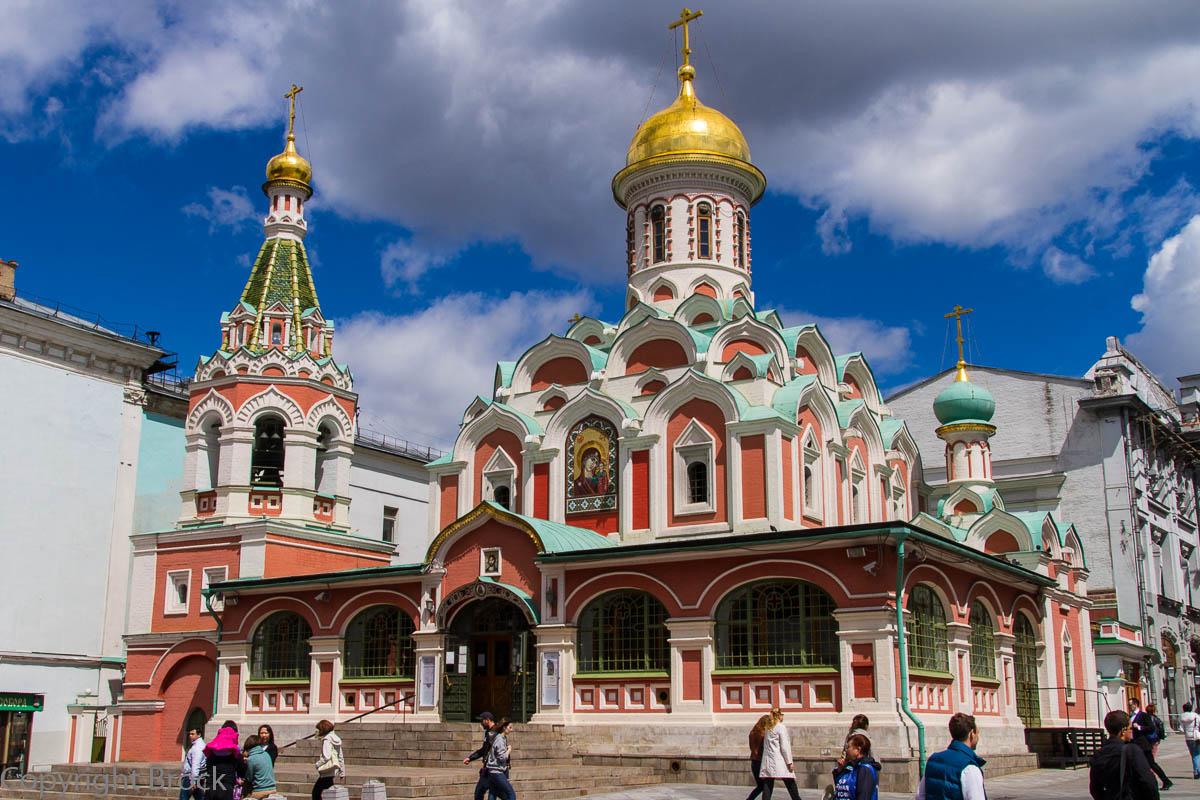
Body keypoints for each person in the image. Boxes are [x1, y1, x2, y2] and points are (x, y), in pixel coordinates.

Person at [1089, 709, 1160, 800]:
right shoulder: (1132, 750)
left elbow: (1095, 788)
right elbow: (1148, 781)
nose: (1132, 731)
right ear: (1123, 731)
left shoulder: (1098, 754)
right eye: (1130, 728)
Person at [914, 713, 986, 800]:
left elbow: (920, 796)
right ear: (972, 734)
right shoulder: (969, 768)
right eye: (977, 733)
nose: (977, 737)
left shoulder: (934, 760)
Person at [758, 708, 802, 800]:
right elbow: (784, 747)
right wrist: (789, 762)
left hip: (769, 760)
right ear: (779, 716)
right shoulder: (781, 727)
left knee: (768, 784)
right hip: (779, 760)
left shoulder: (768, 728)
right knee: (790, 782)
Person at [1133, 702, 1171, 790]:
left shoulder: (1143, 715)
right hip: (1138, 743)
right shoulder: (1132, 716)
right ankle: (1164, 781)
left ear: (1136, 705)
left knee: (1151, 763)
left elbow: (1151, 728)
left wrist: (1139, 727)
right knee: (1148, 763)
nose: (1129, 706)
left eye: (1131, 704)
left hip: (1145, 743)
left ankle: (1165, 781)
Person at [832, 733, 879, 800]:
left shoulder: (865, 769)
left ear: (858, 750)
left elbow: (863, 795)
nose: (846, 751)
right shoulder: (850, 768)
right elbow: (840, 789)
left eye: (848, 747)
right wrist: (840, 770)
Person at [463, 711, 498, 800]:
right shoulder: (489, 732)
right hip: (487, 768)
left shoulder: (495, 733)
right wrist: (470, 758)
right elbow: (483, 750)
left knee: (490, 793)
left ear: (487, 720)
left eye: (482, 721)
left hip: (493, 769)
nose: (481, 723)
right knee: (480, 792)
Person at [204, 721, 243, 800]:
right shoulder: (235, 752)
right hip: (226, 786)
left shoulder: (212, 751)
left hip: (211, 785)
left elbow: (208, 767)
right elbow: (241, 770)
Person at [484, 717, 517, 800]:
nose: (511, 729)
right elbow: (502, 757)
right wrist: (509, 750)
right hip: (497, 771)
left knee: (493, 793)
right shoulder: (500, 739)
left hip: (492, 771)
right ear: (504, 727)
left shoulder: (498, 738)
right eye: (510, 727)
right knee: (511, 794)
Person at [312, 719, 344, 800]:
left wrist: (317, 764)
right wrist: (342, 772)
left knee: (316, 793)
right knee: (327, 791)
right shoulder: (336, 739)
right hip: (333, 770)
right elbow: (340, 756)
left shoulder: (327, 740)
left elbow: (326, 756)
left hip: (327, 770)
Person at [242, 735, 277, 799]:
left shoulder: (251, 759)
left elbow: (249, 778)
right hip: (272, 789)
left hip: (260, 791)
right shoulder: (266, 754)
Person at [745, 714, 771, 800]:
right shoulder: (764, 734)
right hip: (761, 761)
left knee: (760, 786)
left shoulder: (752, 733)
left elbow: (751, 747)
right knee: (766, 786)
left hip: (754, 761)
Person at [180, 725, 206, 800]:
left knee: (183, 797)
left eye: (192, 734)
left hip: (191, 777)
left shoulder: (197, 748)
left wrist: (194, 780)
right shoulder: (198, 745)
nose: (190, 736)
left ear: (199, 734)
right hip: (194, 776)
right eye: (189, 734)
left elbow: (196, 764)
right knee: (199, 797)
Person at [1180, 701, 1200, 780]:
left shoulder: (1182, 717)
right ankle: (1196, 772)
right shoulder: (1195, 716)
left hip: (1188, 737)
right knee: (1197, 755)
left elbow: (1181, 729)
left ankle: (1196, 770)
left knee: (1193, 755)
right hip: (1196, 737)